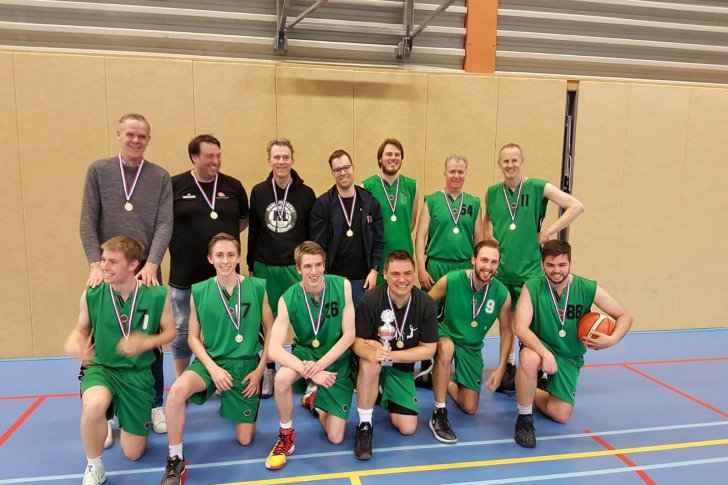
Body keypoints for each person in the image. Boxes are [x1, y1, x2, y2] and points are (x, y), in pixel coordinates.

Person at [79, 112, 173, 440]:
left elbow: (164, 223)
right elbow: (87, 220)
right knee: (99, 333)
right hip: (108, 267)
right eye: (130, 134)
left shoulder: (160, 176)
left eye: (142, 136)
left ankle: (155, 403)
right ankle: (102, 412)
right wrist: (95, 263)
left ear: (149, 139)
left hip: (145, 268)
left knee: (152, 337)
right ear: (119, 134)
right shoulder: (99, 170)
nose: (136, 140)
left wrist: (153, 262)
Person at [160, 233, 272, 484]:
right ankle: (175, 458)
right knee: (177, 392)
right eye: (219, 255)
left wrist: (260, 370)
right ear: (210, 258)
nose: (225, 260)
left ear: (239, 257)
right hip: (210, 362)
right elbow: (192, 338)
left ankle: (233, 403)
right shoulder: (199, 291)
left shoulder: (257, 287)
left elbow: (271, 331)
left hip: (245, 366)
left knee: (245, 440)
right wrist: (213, 369)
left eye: (231, 255)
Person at [65, 236, 175, 485]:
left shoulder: (157, 295)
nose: (104, 266)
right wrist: (75, 340)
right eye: (103, 259)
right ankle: (94, 465)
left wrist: (145, 342)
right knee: (93, 406)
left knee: (133, 453)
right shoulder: (92, 293)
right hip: (102, 368)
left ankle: (121, 414)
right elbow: (81, 329)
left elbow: (170, 332)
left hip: (138, 374)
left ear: (133, 264)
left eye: (113, 261)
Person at [484, 143, 584, 392]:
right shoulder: (492, 192)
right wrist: (490, 242)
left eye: (514, 160)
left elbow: (576, 206)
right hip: (504, 270)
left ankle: (536, 370)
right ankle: (508, 368)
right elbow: (486, 222)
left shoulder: (538, 187)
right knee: (506, 323)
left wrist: (549, 231)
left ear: (522, 162)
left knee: (532, 325)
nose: (510, 165)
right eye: (505, 161)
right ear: (499, 164)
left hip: (530, 270)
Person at [513, 240, 632, 448]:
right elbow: (520, 328)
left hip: (569, 355)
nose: (556, 270)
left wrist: (612, 339)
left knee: (560, 415)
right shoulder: (531, 286)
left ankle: (530, 388)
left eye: (562, 265)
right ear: (542, 265)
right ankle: (524, 419)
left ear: (570, 263)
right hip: (541, 348)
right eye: (550, 265)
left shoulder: (586, 287)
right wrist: (546, 354)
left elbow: (625, 316)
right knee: (528, 359)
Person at [264, 241, 356, 470]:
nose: (314, 271)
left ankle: (314, 400)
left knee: (336, 437)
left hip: (335, 356)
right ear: (298, 269)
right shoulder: (287, 298)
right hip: (305, 353)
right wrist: (310, 371)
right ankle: (286, 436)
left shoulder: (342, 286)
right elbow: (274, 349)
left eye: (318, 265)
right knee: (282, 378)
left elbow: (349, 336)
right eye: (307, 266)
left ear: (324, 265)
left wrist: (321, 366)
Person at [168, 135, 249, 379]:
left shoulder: (233, 186)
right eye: (209, 156)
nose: (216, 161)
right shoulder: (175, 185)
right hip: (185, 274)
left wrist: (220, 248)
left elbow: (243, 220)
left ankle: (225, 378)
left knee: (227, 328)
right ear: (194, 157)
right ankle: (184, 379)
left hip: (225, 277)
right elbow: (162, 223)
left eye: (218, 155)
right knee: (183, 330)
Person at [352, 250, 438, 460]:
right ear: (385, 274)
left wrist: (390, 356)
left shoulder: (426, 303)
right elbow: (356, 342)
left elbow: (429, 349)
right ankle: (365, 425)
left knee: (408, 428)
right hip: (373, 365)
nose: (402, 280)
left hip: (400, 369)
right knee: (370, 363)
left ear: (414, 273)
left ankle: (383, 393)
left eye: (407, 273)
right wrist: (373, 354)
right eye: (396, 274)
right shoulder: (370, 300)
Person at [248, 139, 316, 398]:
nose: (281, 162)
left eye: (285, 157)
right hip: (265, 265)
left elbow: (310, 235)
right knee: (267, 322)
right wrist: (250, 265)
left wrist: (307, 266)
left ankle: (305, 369)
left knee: (304, 319)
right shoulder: (258, 191)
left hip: (293, 267)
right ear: (269, 160)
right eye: (276, 157)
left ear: (292, 160)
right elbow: (254, 230)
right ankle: (268, 370)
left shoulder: (306, 193)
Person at [427, 240, 512, 443]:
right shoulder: (451, 280)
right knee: (446, 348)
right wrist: (425, 342)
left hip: (471, 346)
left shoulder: (502, 294)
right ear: (473, 260)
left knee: (469, 407)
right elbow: (425, 307)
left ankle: (441, 378)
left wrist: (502, 367)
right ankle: (439, 413)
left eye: (493, 262)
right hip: (446, 334)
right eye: (484, 260)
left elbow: (507, 331)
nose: (488, 266)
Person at [414, 154, 484, 387]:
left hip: (463, 267)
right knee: (429, 316)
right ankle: (426, 366)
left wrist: (478, 269)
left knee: (457, 316)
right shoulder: (432, 201)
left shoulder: (473, 203)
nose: (456, 176)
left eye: (460, 172)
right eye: (452, 171)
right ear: (444, 173)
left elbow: (479, 239)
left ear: (466, 174)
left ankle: (451, 365)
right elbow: (420, 237)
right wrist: (421, 268)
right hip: (436, 265)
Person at [309, 149, 384, 306]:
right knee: (335, 321)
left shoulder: (370, 202)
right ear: (332, 173)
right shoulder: (322, 205)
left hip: (363, 281)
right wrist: (324, 277)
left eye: (346, 167)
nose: (343, 173)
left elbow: (378, 241)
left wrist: (374, 270)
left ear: (353, 168)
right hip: (332, 280)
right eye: (337, 170)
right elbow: (317, 247)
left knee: (360, 321)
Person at [362, 139, 419, 286]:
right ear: (380, 158)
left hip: (404, 256)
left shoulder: (412, 186)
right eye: (388, 154)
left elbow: (411, 223)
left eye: (397, 154)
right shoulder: (367, 186)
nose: (393, 158)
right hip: (378, 261)